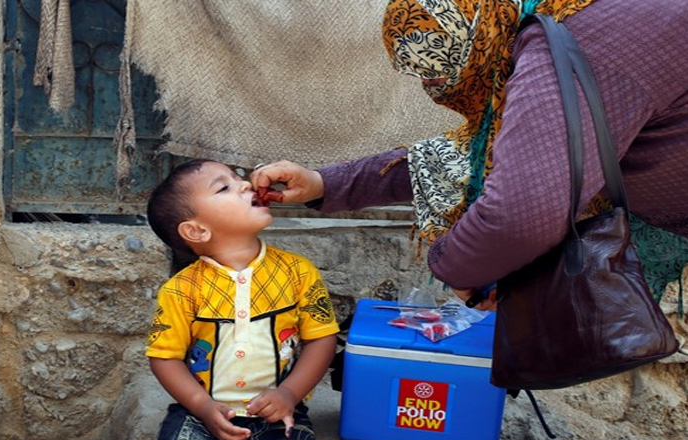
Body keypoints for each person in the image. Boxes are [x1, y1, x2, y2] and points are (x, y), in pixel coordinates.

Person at [251, 0, 688, 309]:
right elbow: (468, 153)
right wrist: (325, 183)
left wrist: (458, 268)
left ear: (475, 37)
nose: (434, 90)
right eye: (420, 76)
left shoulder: (569, 43)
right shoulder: (554, 26)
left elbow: (521, 212)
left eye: (440, 70)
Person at [145, 158, 339, 440]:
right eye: (224, 187)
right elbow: (164, 357)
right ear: (197, 231)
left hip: (280, 413)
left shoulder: (298, 272)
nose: (246, 183)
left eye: (238, 178)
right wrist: (202, 406)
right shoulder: (181, 290)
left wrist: (289, 394)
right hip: (201, 417)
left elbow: (322, 339)